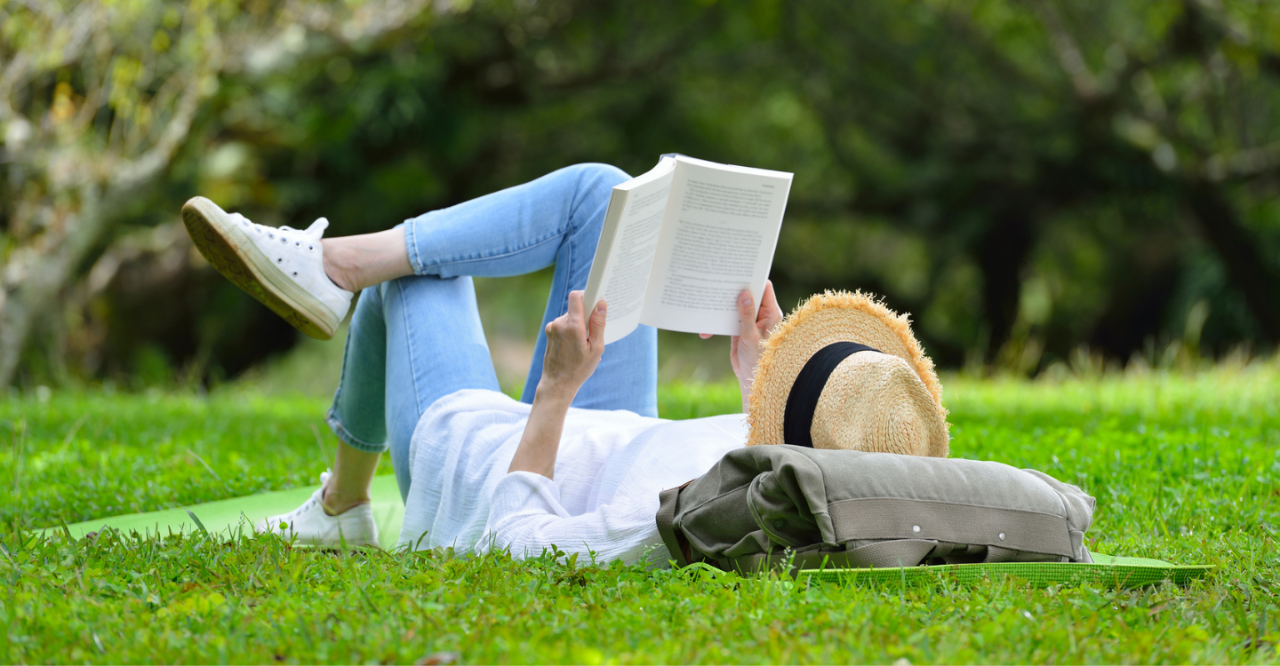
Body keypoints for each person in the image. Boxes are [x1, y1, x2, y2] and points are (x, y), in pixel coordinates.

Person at [182, 163, 950, 566]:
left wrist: (555, 392)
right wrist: (757, 377)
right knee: (600, 194)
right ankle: (335, 278)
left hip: (488, 466)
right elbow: (761, 463)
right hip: (614, 429)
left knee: (417, 275)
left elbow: (521, 543)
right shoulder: (822, 473)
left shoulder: (691, 518)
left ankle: (337, 275)